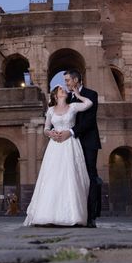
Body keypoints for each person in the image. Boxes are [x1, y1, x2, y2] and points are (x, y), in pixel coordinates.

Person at [24, 84, 93, 226]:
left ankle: (73, 215)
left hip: (70, 144)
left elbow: (89, 103)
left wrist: (78, 94)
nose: (64, 91)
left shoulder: (73, 106)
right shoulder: (50, 110)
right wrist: (51, 133)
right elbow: (46, 128)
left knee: (70, 175)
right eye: (61, 90)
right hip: (55, 146)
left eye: (64, 89)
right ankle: (47, 215)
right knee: (52, 177)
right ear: (56, 95)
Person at [61, 69, 101, 228]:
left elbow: (90, 120)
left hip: (88, 142)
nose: (66, 83)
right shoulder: (66, 98)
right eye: (65, 81)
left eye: (68, 80)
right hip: (71, 144)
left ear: (76, 80)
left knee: (90, 177)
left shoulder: (91, 94)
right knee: (72, 177)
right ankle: (74, 214)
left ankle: (91, 216)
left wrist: (71, 132)